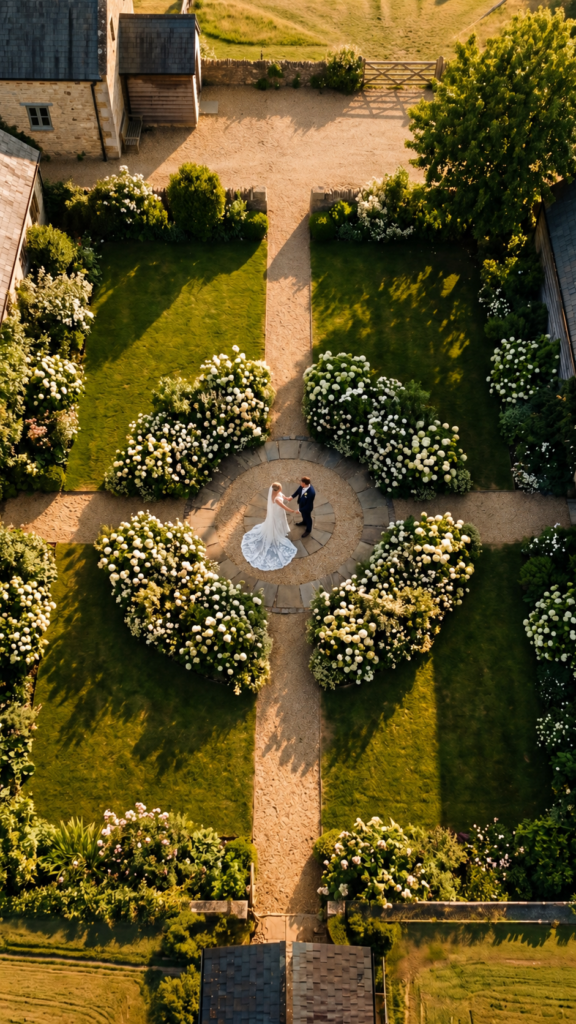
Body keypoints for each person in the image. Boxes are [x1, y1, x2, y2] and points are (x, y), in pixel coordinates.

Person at [241, 482, 297, 571]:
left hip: (278, 512)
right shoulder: (277, 500)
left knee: (280, 522)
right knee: (277, 523)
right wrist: (294, 511)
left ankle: (280, 532)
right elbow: (284, 507)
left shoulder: (275, 492)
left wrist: (286, 498)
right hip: (277, 513)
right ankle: (277, 534)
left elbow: (281, 495)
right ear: (278, 489)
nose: (281, 489)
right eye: (280, 488)